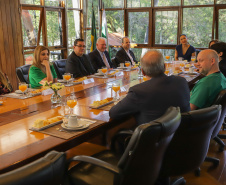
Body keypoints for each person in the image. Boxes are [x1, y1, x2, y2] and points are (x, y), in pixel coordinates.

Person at [109, 50, 190, 125]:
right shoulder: (182, 82)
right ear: (164, 67)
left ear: (143, 72)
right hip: (182, 133)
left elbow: (113, 113)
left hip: (154, 139)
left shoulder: (138, 91)